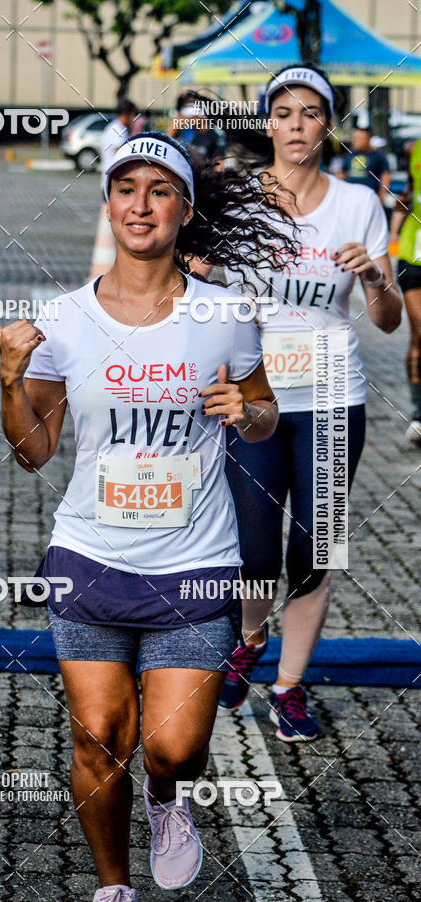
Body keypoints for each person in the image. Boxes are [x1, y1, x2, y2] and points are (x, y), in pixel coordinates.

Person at [0, 131, 298, 900]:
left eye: (161, 191)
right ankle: (113, 885)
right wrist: (8, 381)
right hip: (90, 555)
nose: (142, 205)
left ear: (185, 210)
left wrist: (245, 412)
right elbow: (35, 452)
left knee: (176, 748)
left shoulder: (225, 314)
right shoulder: (64, 319)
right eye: (127, 188)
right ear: (109, 202)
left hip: (194, 563)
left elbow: (263, 415)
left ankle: (167, 800)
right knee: (98, 736)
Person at [197, 63, 402, 741]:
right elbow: (204, 288)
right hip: (255, 400)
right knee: (254, 551)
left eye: (310, 113)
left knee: (314, 551)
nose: (296, 126)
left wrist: (374, 275)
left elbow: (389, 320)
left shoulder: (358, 205)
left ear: (328, 125)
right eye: (283, 113)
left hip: (334, 400)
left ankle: (289, 686)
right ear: (267, 122)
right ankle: (251, 638)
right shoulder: (238, 200)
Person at [389, 137, 421, 444]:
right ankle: (418, 414)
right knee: (420, 331)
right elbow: (408, 193)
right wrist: (393, 234)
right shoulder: (414, 147)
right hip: (415, 254)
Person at [338, 124, 391, 205]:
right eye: (355, 138)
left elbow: (386, 176)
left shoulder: (378, 156)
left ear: (368, 139)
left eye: (359, 139)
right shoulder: (350, 155)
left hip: (369, 200)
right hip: (350, 198)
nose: (355, 141)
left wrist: (381, 196)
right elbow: (342, 174)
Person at [101, 100, 139, 198]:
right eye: (134, 114)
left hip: (113, 180)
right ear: (126, 114)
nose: (135, 118)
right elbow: (121, 149)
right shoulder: (117, 129)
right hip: (113, 181)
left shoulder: (118, 127)